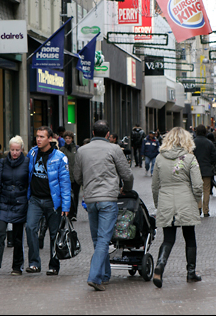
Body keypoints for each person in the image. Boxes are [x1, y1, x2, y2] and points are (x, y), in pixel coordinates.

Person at [73, 120, 134, 291]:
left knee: (97, 239)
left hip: (91, 200)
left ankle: (105, 275)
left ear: (92, 133)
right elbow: (127, 174)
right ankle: (95, 277)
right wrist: (126, 189)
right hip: (108, 199)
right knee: (103, 240)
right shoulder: (114, 149)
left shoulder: (82, 150)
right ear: (108, 134)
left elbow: (77, 177)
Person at [151, 127, 203, 288]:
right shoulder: (190, 158)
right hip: (186, 201)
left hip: (166, 201)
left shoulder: (160, 158)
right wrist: (197, 202)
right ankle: (191, 272)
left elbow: (155, 186)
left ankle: (160, 265)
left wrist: (158, 204)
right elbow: (198, 185)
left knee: (168, 239)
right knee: (190, 237)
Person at [25, 126, 71, 276]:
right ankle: (34, 263)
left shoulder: (60, 157)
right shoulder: (32, 153)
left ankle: (53, 265)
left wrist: (66, 206)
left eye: (42, 137)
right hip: (35, 200)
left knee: (54, 234)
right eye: (37, 136)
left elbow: (65, 184)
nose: (38, 139)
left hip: (53, 202)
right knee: (30, 228)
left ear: (50, 139)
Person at [0, 135, 29, 275]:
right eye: (12, 149)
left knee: (18, 237)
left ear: (21, 149)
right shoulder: (2, 163)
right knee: (0, 232)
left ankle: (17, 267)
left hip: (20, 203)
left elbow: (29, 184)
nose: (14, 153)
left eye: (17, 150)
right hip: (3, 202)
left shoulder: (27, 163)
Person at [193, 125, 216, 217]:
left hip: (195, 170)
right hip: (207, 170)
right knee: (206, 190)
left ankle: (198, 207)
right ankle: (206, 210)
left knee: (197, 189)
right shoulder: (209, 143)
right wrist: (211, 164)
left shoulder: (193, 142)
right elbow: (214, 157)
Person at [60, 131, 79, 222]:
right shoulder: (62, 149)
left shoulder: (76, 148)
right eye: (66, 138)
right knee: (68, 195)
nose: (68, 140)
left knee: (75, 195)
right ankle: (68, 213)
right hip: (66, 176)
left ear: (72, 139)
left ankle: (74, 213)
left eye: (69, 138)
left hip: (75, 176)